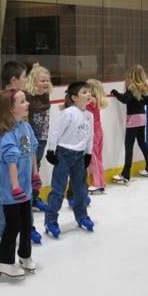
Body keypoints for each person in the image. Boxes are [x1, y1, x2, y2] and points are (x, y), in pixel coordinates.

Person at [0, 89, 39, 278]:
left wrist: (35, 174)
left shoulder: (25, 127)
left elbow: (33, 149)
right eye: (22, 102)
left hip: (25, 188)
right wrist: (15, 186)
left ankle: (25, 255)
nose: (27, 104)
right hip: (10, 191)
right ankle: (3, 261)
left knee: (27, 223)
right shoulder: (7, 135)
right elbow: (11, 161)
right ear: (11, 109)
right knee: (13, 225)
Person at [0, 61, 42, 244]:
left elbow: (29, 140)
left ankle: (26, 227)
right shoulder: (4, 103)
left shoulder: (21, 102)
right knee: (5, 195)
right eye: (24, 77)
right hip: (7, 158)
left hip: (23, 153)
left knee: (25, 193)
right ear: (14, 80)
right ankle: (5, 233)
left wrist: (34, 172)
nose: (27, 80)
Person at [44, 81, 95, 238]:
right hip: (64, 155)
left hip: (79, 156)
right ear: (74, 97)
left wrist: (88, 153)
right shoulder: (68, 113)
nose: (88, 95)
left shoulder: (89, 115)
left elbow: (89, 135)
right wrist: (51, 150)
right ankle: (51, 220)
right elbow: (56, 132)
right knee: (58, 189)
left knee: (80, 189)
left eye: (89, 92)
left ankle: (81, 216)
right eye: (84, 92)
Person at [111, 65, 148, 185]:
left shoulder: (131, 87)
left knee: (129, 145)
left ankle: (125, 174)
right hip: (142, 118)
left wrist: (115, 93)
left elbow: (125, 99)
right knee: (142, 142)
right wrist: (142, 97)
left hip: (133, 119)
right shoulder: (143, 87)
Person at [25, 65, 53, 212]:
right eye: (42, 80)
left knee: (37, 167)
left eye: (47, 80)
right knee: (28, 168)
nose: (46, 83)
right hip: (30, 138)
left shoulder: (45, 95)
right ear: (33, 82)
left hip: (42, 138)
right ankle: (27, 200)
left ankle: (34, 198)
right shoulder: (28, 96)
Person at [86, 79, 109, 194]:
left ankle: (97, 183)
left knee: (93, 159)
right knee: (98, 158)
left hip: (93, 133)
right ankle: (101, 181)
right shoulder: (97, 101)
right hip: (99, 132)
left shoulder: (91, 101)